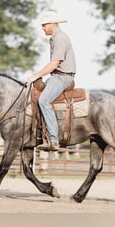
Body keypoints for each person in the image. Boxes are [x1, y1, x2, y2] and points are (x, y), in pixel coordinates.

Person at [27, 11, 76, 152]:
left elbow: (54, 64)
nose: (42, 28)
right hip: (57, 76)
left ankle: (54, 140)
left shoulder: (60, 39)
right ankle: (40, 134)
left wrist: (35, 76)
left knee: (43, 100)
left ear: (52, 24)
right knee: (36, 95)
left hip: (62, 77)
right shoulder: (55, 38)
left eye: (44, 25)